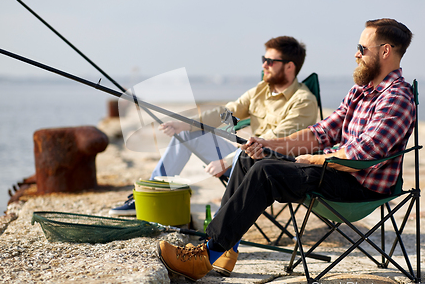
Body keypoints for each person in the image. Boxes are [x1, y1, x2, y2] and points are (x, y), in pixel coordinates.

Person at [156, 18, 416, 282]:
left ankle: (204, 256)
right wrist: (269, 145)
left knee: (266, 172)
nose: (356, 54)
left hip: (359, 185)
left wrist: (314, 160)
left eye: (362, 48)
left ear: (385, 51)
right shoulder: (361, 91)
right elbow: (321, 132)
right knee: (250, 157)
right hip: (332, 170)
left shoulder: (396, 98)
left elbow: (362, 156)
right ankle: (223, 248)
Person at [109, 36, 318, 216]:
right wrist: (185, 124)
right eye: (264, 59)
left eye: (270, 61)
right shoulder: (261, 90)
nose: (264, 65)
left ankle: (218, 230)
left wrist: (226, 162)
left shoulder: (303, 101)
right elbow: (225, 113)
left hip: (274, 167)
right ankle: (151, 192)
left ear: (289, 66)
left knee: (250, 151)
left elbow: (273, 143)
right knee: (187, 134)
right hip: (247, 156)